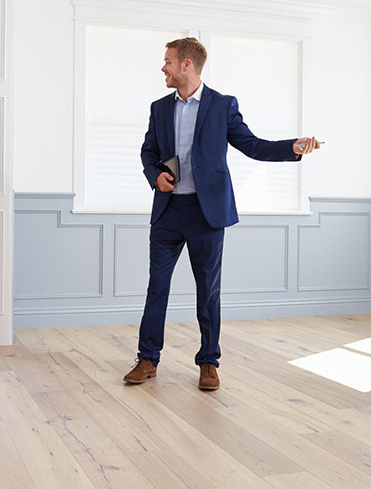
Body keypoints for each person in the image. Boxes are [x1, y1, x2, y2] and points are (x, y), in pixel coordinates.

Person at [123, 37, 320, 390]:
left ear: (187, 64)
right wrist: (155, 176)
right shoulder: (159, 108)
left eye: (168, 61)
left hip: (206, 214)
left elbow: (253, 145)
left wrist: (292, 147)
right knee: (157, 287)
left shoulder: (221, 105)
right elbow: (147, 152)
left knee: (208, 291)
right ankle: (148, 358)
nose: (163, 68)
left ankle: (209, 362)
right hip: (168, 212)